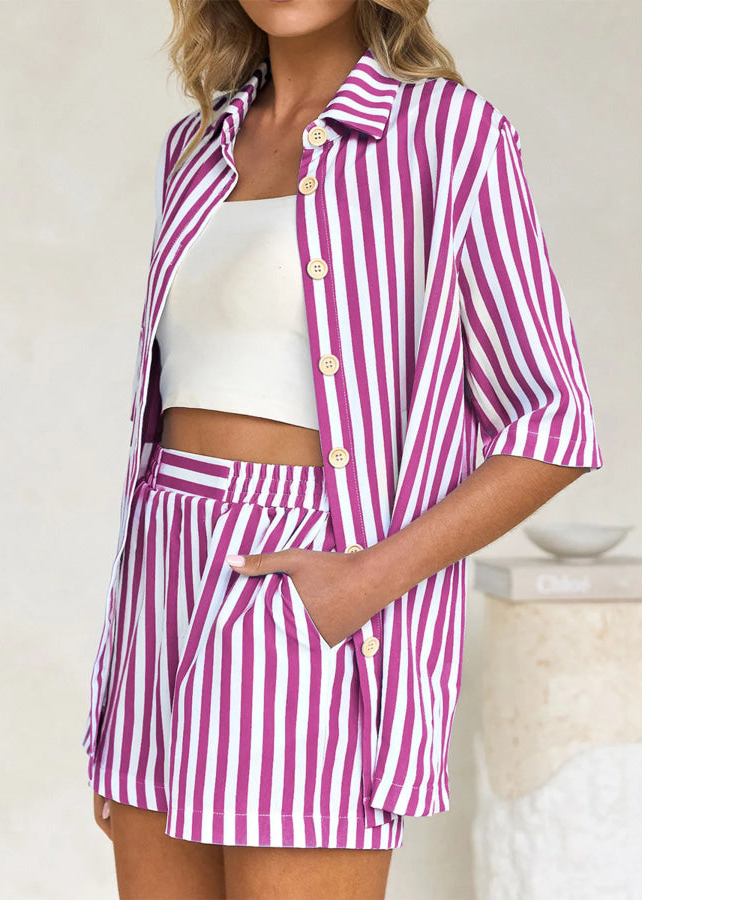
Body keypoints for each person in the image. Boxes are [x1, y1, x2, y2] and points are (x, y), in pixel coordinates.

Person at [82, 1, 603, 897]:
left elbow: (555, 420)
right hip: (161, 586)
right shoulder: (196, 149)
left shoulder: (448, 136)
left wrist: (362, 582)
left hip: (305, 582)